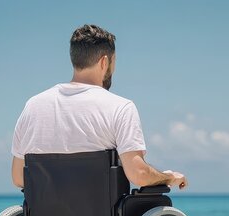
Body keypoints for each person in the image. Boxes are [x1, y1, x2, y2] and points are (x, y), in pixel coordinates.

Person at [10, 24, 187, 191]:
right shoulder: (120, 107)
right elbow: (139, 174)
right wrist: (168, 177)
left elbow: (18, 177)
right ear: (104, 62)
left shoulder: (33, 106)